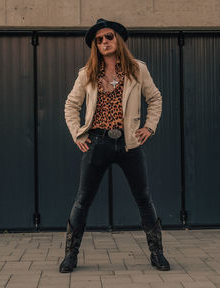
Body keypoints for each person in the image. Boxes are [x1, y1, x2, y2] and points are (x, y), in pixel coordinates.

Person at [61, 18, 170, 273]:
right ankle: (70, 255)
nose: (104, 42)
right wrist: (78, 134)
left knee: (143, 198)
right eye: (99, 40)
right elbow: (70, 105)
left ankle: (157, 253)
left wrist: (149, 126)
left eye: (108, 37)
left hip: (129, 143)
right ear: (95, 46)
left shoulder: (137, 69)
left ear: (117, 39)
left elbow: (155, 98)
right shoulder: (87, 73)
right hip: (97, 142)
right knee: (82, 200)